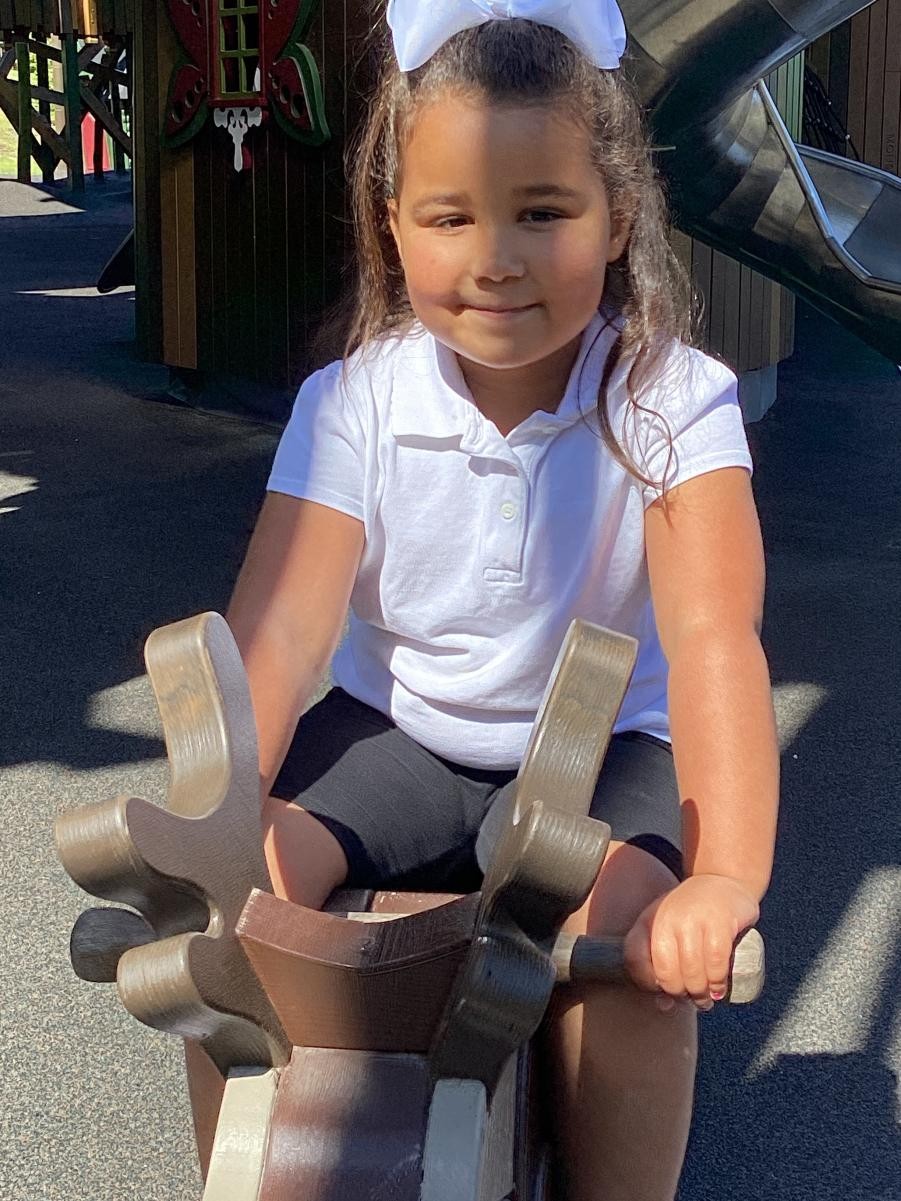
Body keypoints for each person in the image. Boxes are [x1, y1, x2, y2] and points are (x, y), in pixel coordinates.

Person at [226, 2, 780, 1197]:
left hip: (601, 749)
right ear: (394, 224)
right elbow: (281, 631)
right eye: (450, 217)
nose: (495, 258)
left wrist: (724, 877)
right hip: (403, 733)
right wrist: (214, 826)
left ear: (616, 216)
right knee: (237, 913)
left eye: (541, 212)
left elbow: (711, 638)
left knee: (631, 949)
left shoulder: (671, 400)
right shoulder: (355, 402)